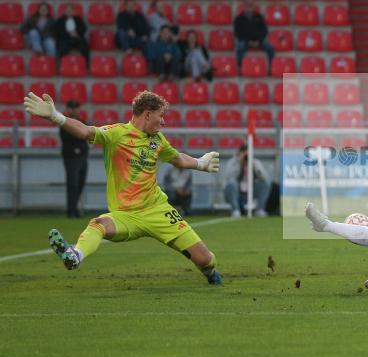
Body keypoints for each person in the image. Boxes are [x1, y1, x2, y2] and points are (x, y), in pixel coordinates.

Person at [23, 90, 223, 285]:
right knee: (98, 223)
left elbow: (178, 159)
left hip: (158, 210)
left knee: (205, 260)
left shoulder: (157, 140)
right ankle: (75, 255)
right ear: (147, 114)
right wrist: (55, 117)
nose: (163, 122)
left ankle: (211, 273)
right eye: (161, 116)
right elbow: (85, 131)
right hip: (125, 215)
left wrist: (201, 163)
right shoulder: (116, 134)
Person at [223, 143, 271, 218]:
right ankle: (235, 210)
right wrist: (240, 164)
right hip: (237, 190)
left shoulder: (255, 162)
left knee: (265, 184)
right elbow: (229, 178)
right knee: (232, 183)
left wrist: (254, 166)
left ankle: (260, 210)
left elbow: (265, 178)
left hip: (251, 189)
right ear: (239, 153)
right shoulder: (233, 162)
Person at [60, 100, 88, 219]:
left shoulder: (82, 122)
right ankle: (71, 210)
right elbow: (67, 138)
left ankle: (74, 208)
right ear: (68, 109)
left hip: (82, 157)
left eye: (76, 107)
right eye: (72, 108)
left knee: (80, 183)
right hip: (71, 157)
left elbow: (86, 135)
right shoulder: (64, 122)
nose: (75, 110)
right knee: (73, 184)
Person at [233, 1, 275, 67]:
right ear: (244, 7)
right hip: (245, 41)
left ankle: (271, 66)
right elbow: (237, 33)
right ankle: (240, 67)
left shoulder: (259, 17)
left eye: (251, 6)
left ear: (253, 7)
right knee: (240, 47)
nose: (249, 8)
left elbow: (264, 31)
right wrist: (248, 41)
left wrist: (258, 41)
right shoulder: (239, 19)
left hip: (258, 41)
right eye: (247, 6)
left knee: (270, 48)